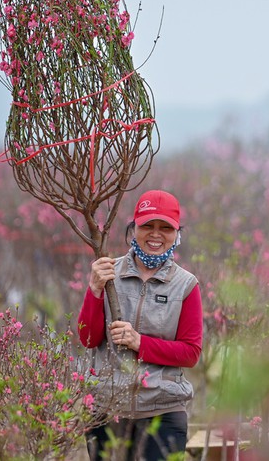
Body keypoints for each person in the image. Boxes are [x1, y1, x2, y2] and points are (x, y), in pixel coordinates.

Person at [78, 190, 202, 461]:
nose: (155, 234)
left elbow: (191, 353)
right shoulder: (109, 273)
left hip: (163, 412)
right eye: (147, 226)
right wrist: (94, 289)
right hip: (107, 411)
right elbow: (88, 339)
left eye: (165, 227)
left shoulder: (186, 285)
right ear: (133, 229)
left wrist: (139, 342)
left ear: (177, 234)